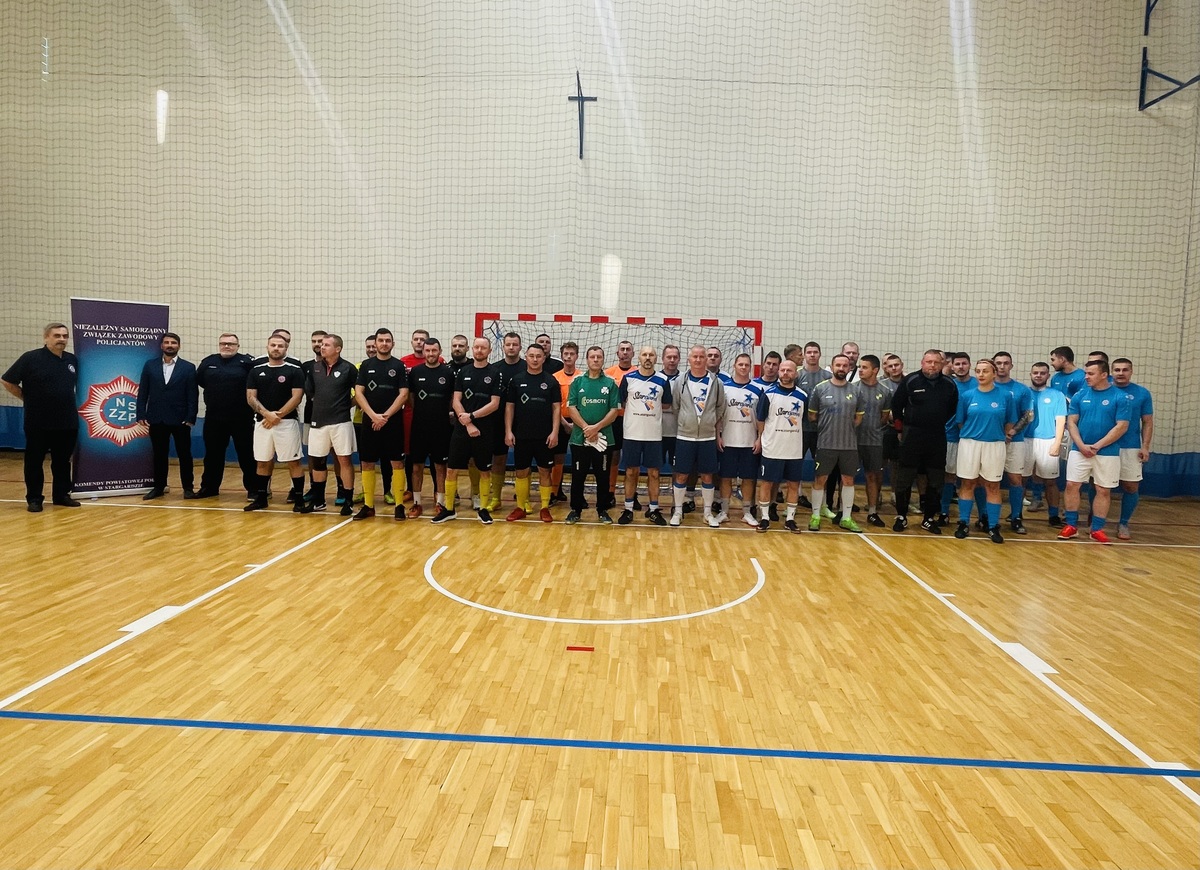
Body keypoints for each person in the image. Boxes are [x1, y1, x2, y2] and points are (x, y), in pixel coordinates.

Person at [2, 322, 81, 511]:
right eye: (57, 335)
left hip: (67, 422)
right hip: (38, 422)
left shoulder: (71, 360)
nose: (62, 339)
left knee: (62, 462)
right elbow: (7, 380)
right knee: (34, 462)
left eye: (65, 336)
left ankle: (61, 495)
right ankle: (35, 499)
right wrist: (26, 398)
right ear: (46, 337)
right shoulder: (30, 358)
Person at [1060, 359, 1132, 543]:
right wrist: (1081, 445)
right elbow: (1071, 422)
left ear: (1104, 375)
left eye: (1090, 373)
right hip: (1079, 450)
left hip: (1107, 452)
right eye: (1086, 373)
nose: (1086, 377)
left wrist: (1098, 445)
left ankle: (1097, 529)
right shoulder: (1079, 395)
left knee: (1103, 490)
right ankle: (1071, 526)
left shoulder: (1120, 397)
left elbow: (1122, 426)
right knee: (1071, 485)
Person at [433, 336, 503, 524]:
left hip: (484, 430)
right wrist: (468, 423)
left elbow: (494, 404)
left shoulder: (495, 373)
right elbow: (456, 400)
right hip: (462, 429)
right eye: (476, 347)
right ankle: (449, 509)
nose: (479, 350)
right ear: (472, 349)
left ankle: (483, 509)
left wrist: (471, 416)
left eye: (483, 348)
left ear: (489, 351)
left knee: (484, 471)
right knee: (451, 470)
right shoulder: (463, 372)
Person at [890, 350, 959, 533]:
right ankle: (901, 516)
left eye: (936, 362)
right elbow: (896, 405)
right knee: (905, 478)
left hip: (937, 437)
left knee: (936, 479)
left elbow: (952, 409)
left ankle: (928, 518)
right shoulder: (911, 381)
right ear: (922, 363)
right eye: (929, 362)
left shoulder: (949, 384)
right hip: (912, 435)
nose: (932, 365)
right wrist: (899, 430)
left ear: (942, 364)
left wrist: (936, 421)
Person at [952, 359, 1017, 543]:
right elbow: (960, 421)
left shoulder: (1005, 396)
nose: (981, 374)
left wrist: (999, 434)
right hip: (970, 444)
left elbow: (1010, 421)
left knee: (993, 486)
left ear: (994, 374)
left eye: (985, 371)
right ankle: (963, 523)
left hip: (994, 445)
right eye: (978, 371)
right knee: (967, 483)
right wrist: (974, 433)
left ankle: (993, 526)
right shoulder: (967, 396)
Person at [244, 335, 306, 511]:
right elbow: (250, 397)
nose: (276, 348)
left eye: (280, 346)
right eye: (273, 345)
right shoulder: (256, 371)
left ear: (286, 349)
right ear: (267, 347)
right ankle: (261, 498)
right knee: (262, 462)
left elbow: (297, 397)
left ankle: (299, 500)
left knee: (293, 462)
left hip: (286, 423)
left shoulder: (294, 370)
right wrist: (266, 414)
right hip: (262, 423)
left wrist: (277, 415)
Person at [352, 329, 409, 521]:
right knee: (367, 462)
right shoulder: (366, 366)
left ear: (393, 344)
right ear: (375, 343)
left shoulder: (399, 366)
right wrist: (373, 416)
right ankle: (369, 506)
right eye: (381, 340)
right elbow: (359, 393)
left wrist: (385, 416)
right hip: (370, 422)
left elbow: (403, 394)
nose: (384, 343)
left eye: (387, 341)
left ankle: (399, 505)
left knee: (397, 462)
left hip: (393, 423)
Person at [807, 354, 866, 532]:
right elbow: (812, 416)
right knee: (820, 479)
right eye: (838, 365)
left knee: (848, 480)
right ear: (832, 367)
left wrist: (845, 429)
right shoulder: (820, 389)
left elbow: (858, 418)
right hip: (825, 444)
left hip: (849, 446)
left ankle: (846, 518)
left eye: (845, 365)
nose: (841, 368)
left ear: (849, 368)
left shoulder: (856, 391)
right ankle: (815, 516)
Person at [299, 334, 357, 516]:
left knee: (344, 460)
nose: (322, 347)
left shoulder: (348, 369)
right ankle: (318, 501)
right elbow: (310, 392)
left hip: (341, 422)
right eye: (322, 344)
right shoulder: (314, 368)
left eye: (326, 345)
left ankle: (348, 501)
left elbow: (360, 393)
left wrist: (346, 404)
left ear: (337, 349)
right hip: (318, 423)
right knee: (317, 461)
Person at [136, 332, 198, 499]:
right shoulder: (150, 365)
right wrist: (140, 413)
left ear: (179, 346)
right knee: (159, 455)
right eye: (167, 342)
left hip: (181, 419)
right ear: (161, 346)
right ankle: (159, 487)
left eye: (173, 343)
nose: (170, 345)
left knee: (185, 455)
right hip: (156, 418)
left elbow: (193, 394)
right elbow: (143, 391)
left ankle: (188, 488)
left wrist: (191, 417)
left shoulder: (188, 367)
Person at [194, 333, 256, 500]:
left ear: (238, 346)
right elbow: (200, 381)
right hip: (214, 418)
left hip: (242, 418)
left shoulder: (247, 363)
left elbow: (255, 385)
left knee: (247, 454)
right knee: (212, 455)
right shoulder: (208, 362)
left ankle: (254, 489)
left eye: (231, 344)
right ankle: (209, 488)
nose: (227, 346)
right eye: (223, 343)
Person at [670, 345, 726, 528]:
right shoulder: (680, 381)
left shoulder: (716, 382)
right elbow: (676, 406)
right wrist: (687, 422)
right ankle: (678, 512)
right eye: (695, 356)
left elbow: (720, 407)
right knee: (681, 475)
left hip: (707, 438)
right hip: (685, 437)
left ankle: (707, 513)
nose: (698, 360)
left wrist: (710, 422)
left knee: (708, 476)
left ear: (706, 359)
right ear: (689, 359)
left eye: (702, 357)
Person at [504, 344, 560, 522]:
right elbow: (510, 407)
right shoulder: (516, 380)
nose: (535, 359)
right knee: (521, 472)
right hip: (522, 435)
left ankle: (544, 508)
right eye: (531, 356)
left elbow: (556, 408)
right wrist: (508, 431)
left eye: (538, 356)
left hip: (545, 436)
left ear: (544, 358)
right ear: (526, 357)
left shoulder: (551, 381)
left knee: (545, 471)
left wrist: (555, 432)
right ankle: (520, 507)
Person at [617, 346, 673, 526]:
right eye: (644, 355)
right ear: (639, 358)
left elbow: (666, 404)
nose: (648, 358)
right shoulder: (628, 378)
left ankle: (654, 510)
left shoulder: (663, 380)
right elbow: (622, 402)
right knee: (630, 472)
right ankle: (628, 509)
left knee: (654, 473)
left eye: (651, 355)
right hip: (632, 434)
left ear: (656, 359)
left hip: (654, 435)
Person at [566, 346, 620, 524]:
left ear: (603, 359)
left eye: (599, 357)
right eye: (592, 357)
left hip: (604, 440)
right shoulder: (577, 382)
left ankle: (602, 510)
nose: (596, 360)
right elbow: (571, 408)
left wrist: (596, 428)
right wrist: (586, 429)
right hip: (580, 439)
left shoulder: (611, 383)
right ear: (587, 359)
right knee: (578, 476)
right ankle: (575, 510)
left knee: (603, 476)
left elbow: (614, 411)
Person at [754, 360, 806, 532]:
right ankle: (765, 518)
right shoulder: (768, 394)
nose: (785, 373)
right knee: (767, 483)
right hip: (772, 447)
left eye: (789, 370)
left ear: (795, 373)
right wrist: (761, 438)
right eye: (782, 370)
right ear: (778, 372)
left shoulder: (803, 396)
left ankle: (790, 519)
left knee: (793, 484)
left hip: (793, 449)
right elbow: (760, 419)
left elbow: (804, 420)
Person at [406, 338, 454, 518]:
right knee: (416, 466)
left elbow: (452, 397)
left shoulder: (448, 372)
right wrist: (422, 412)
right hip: (419, 427)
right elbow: (410, 397)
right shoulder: (415, 372)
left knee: (440, 466)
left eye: (434, 350)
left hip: (441, 427)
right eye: (428, 350)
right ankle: (417, 503)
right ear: (424, 352)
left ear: (440, 351)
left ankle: (440, 502)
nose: (431, 354)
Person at [992, 352, 1036, 535]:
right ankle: (986, 517)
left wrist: (1011, 432)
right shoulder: (986, 387)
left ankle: (1016, 517)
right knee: (987, 480)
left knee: (1015, 479)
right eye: (998, 363)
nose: (1002, 366)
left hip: (1015, 441)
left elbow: (1028, 415)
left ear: (1011, 366)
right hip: (991, 441)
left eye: (1005, 363)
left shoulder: (1022, 389)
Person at [717, 353, 762, 527]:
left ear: (750, 367)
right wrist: (718, 435)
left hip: (749, 442)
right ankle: (724, 511)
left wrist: (759, 439)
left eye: (746, 365)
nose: (743, 367)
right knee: (725, 477)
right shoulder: (724, 388)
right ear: (734, 366)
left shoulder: (758, 390)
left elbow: (762, 418)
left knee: (748, 478)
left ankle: (747, 513)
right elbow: (718, 414)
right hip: (728, 441)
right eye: (740, 364)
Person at [1111, 358, 1153, 540]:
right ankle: (1095, 520)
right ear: (1111, 372)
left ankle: (1123, 523)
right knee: (1098, 485)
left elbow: (1147, 421)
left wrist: (1145, 446)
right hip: (1105, 447)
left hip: (1131, 447)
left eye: (1125, 369)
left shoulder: (1142, 393)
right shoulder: (1102, 390)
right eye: (1117, 370)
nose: (1121, 373)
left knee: (1130, 486)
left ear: (1131, 371)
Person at [1026, 362, 1068, 527]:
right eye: (1035, 372)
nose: (1038, 375)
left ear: (1048, 376)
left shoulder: (1057, 395)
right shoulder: (1024, 393)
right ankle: (1016, 515)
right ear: (1030, 374)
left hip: (1048, 440)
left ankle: (1053, 516)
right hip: (1025, 440)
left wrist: (1057, 443)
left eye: (1042, 373)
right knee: (1021, 479)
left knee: (1050, 481)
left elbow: (1061, 420)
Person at [487, 332, 525, 512]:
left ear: (520, 347)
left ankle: (523, 499)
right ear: (503, 347)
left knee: (523, 461)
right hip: (497, 421)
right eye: (508, 344)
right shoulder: (494, 369)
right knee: (499, 459)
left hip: (524, 421)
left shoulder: (528, 367)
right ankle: (496, 498)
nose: (511, 347)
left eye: (515, 344)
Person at [938, 352, 977, 525]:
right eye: (957, 364)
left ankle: (981, 515)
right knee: (949, 476)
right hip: (951, 436)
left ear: (970, 365)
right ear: (952, 366)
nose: (961, 367)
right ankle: (944, 512)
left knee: (975, 478)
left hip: (974, 439)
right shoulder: (946, 384)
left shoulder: (978, 384)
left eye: (964, 363)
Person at [855, 355, 894, 527]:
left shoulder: (885, 391)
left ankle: (872, 512)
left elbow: (884, 417)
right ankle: (844, 511)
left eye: (864, 367)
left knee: (872, 476)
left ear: (875, 370)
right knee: (847, 477)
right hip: (853, 440)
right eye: (860, 367)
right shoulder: (852, 388)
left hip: (874, 441)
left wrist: (873, 428)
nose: (860, 370)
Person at [795, 342, 831, 509]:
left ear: (820, 354)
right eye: (809, 352)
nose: (812, 355)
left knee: (822, 468)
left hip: (821, 431)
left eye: (815, 352)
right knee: (796, 465)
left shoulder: (827, 376)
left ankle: (822, 504)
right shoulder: (797, 375)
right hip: (799, 430)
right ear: (804, 355)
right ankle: (795, 499)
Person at [398, 329, 431, 506]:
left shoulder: (439, 361)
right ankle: (410, 489)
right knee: (410, 453)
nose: (419, 342)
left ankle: (438, 491)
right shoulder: (403, 362)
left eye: (422, 339)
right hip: (409, 415)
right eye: (416, 339)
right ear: (412, 342)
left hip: (433, 416)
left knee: (437, 456)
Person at [549, 341, 582, 504]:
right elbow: (552, 405)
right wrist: (564, 423)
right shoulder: (554, 377)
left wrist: (576, 423)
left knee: (580, 459)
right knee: (558, 458)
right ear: (562, 356)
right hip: (560, 421)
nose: (568, 357)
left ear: (577, 356)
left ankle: (578, 495)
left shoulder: (583, 377)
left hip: (580, 423)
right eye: (566, 354)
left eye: (572, 354)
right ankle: (554, 493)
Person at [605, 339, 636, 509]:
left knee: (632, 458)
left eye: (628, 349)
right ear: (617, 353)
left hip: (634, 420)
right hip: (614, 420)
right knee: (614, 455)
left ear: (633, 353)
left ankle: (633, 495)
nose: (625, 352)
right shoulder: (608, 373)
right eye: (622, 349)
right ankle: (610, 492)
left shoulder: (638, 373)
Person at [658, 344, 685, 504]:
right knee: (655, 470)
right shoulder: (656, 379)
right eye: (669, 357)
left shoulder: (685, 379)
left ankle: (677, 503)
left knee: (678, 470)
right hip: (658, 432)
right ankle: (654, 504)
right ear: (663, 359)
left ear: (679, 359)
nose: (672, 360)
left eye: (675, 357)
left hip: (678, 432)